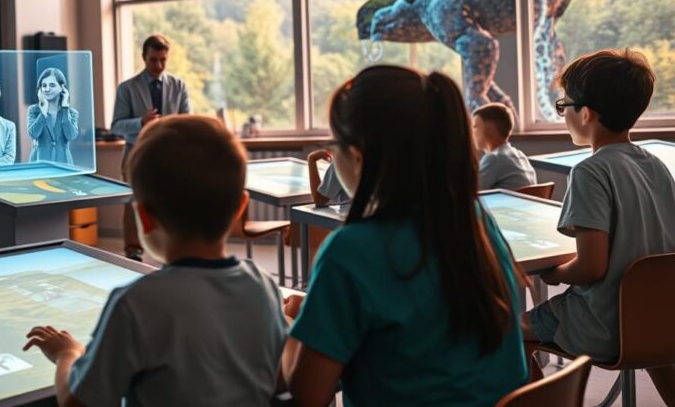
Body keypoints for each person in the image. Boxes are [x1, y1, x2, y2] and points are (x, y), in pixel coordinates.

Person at [283, 66, 527, 407]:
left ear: (357, 156)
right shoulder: (474, 222)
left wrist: (296, 325)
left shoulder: (351, 251)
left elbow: (308, 393)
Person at [23, 115, 286, 407]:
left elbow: (77, 402)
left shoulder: (135, 304)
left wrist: (67, 354)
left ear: (144, 218)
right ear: (240, 208)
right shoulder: (265, 288)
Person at [526, 49, 675, 401]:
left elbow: (592, 267)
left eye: (563, 107)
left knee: (505, 332)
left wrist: (557, 273)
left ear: (587, 113)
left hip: (603, 325)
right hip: (658, 321)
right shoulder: (656, 166)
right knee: (657, 353)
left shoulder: (590, 171)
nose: (562, 114)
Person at [111, 34, 191, 261]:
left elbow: (187, 119)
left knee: (171, 201)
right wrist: (141, 122)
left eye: (163, 60)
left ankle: (171, 248)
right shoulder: (127, 88)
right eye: (154, 60)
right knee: (133, 201)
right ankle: (133, 249)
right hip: (136, 154)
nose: (159, 65)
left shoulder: (178, 85)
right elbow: (116, 126)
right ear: (143, 58)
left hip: (169, 155)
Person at [472, 103, 537, 191]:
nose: (472, 132)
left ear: (490, 129)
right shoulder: (520, 155)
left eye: (475, 126)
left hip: (508, 205)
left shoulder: (494, 158)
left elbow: (471, 191)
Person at [27, 67, 79, 165]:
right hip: (39, 161)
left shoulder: (71, 112)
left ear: (62, 88)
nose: (47, 89)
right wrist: (43, 113)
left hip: (64, 162)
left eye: (52, 85)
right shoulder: (34, 110)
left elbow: (71, 135)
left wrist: (65, 108)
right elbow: (33, 134)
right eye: (44, 85)